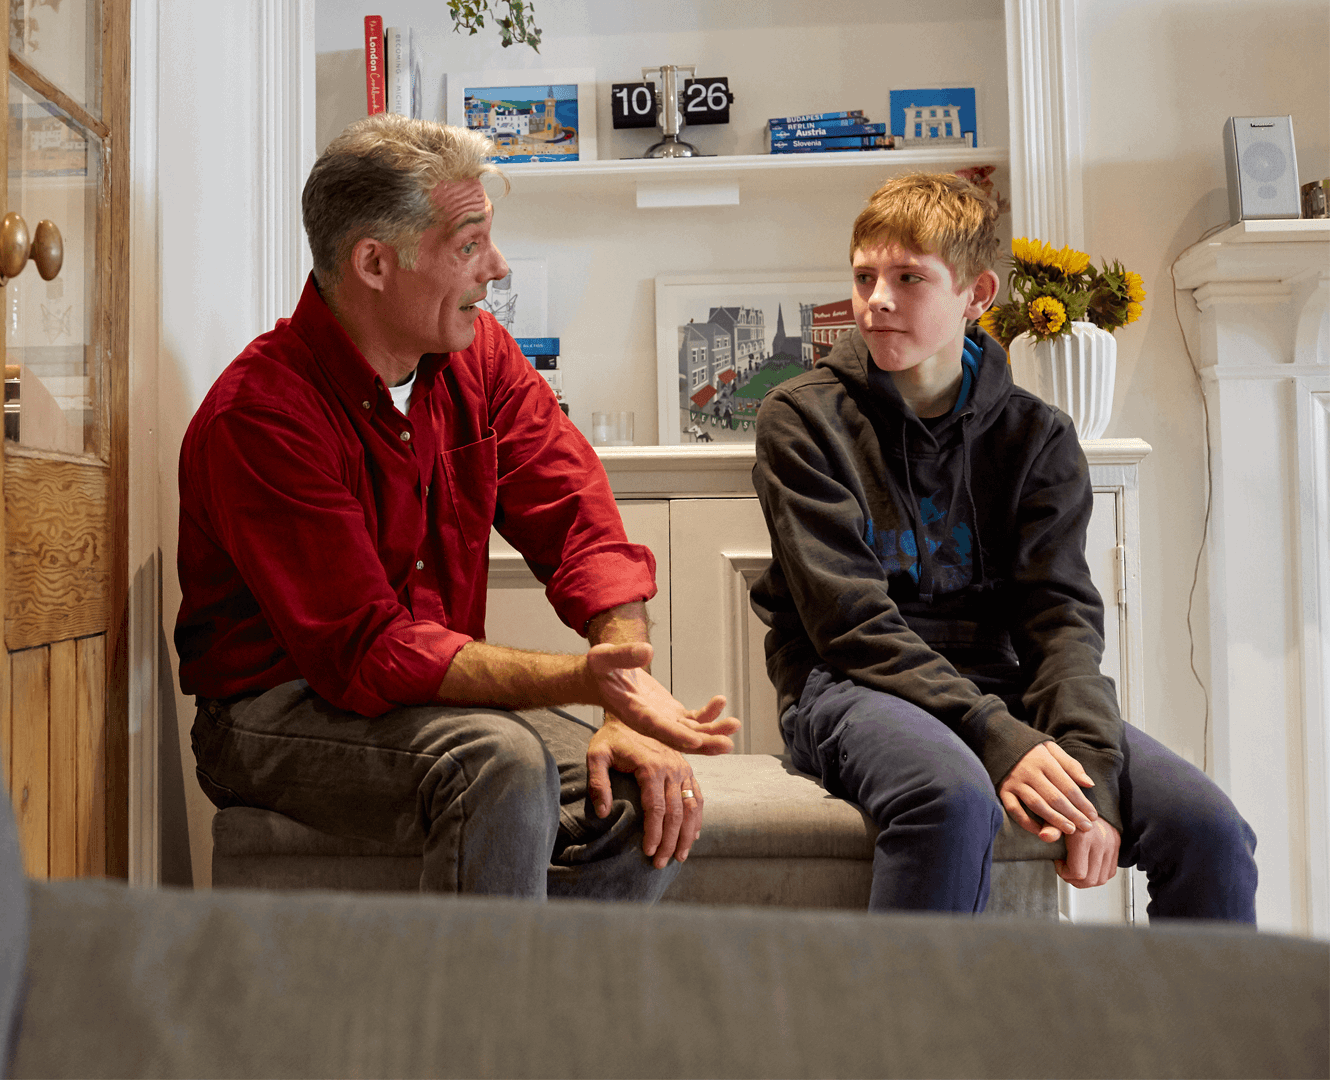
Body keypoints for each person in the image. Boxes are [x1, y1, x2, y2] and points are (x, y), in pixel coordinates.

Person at [175, 114, 739, 900]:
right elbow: (368, 652)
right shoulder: (261, 416)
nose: (497, 268)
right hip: (272, 708)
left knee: (643, 791)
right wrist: (586, 681)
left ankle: (526, 1008)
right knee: (499, 764)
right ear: (373, 262)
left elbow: (579, 518)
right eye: (469, 243)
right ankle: (478, 1018)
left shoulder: (481, 358)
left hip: (415, 691)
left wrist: (625, 696)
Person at [750, 171, 1257, 918]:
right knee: (949, 797)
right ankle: (913, 1038)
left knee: (1210, 830)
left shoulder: (1037, 435)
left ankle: (1189, 1038)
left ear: (978, 295)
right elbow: (849, 624)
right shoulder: (802, 417)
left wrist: (1091, 764)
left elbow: (1059, 621)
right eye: (864, 276)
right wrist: (998, 736)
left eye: (908, 278)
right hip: (847, 682)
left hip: (1005, 680)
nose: (876, 299)